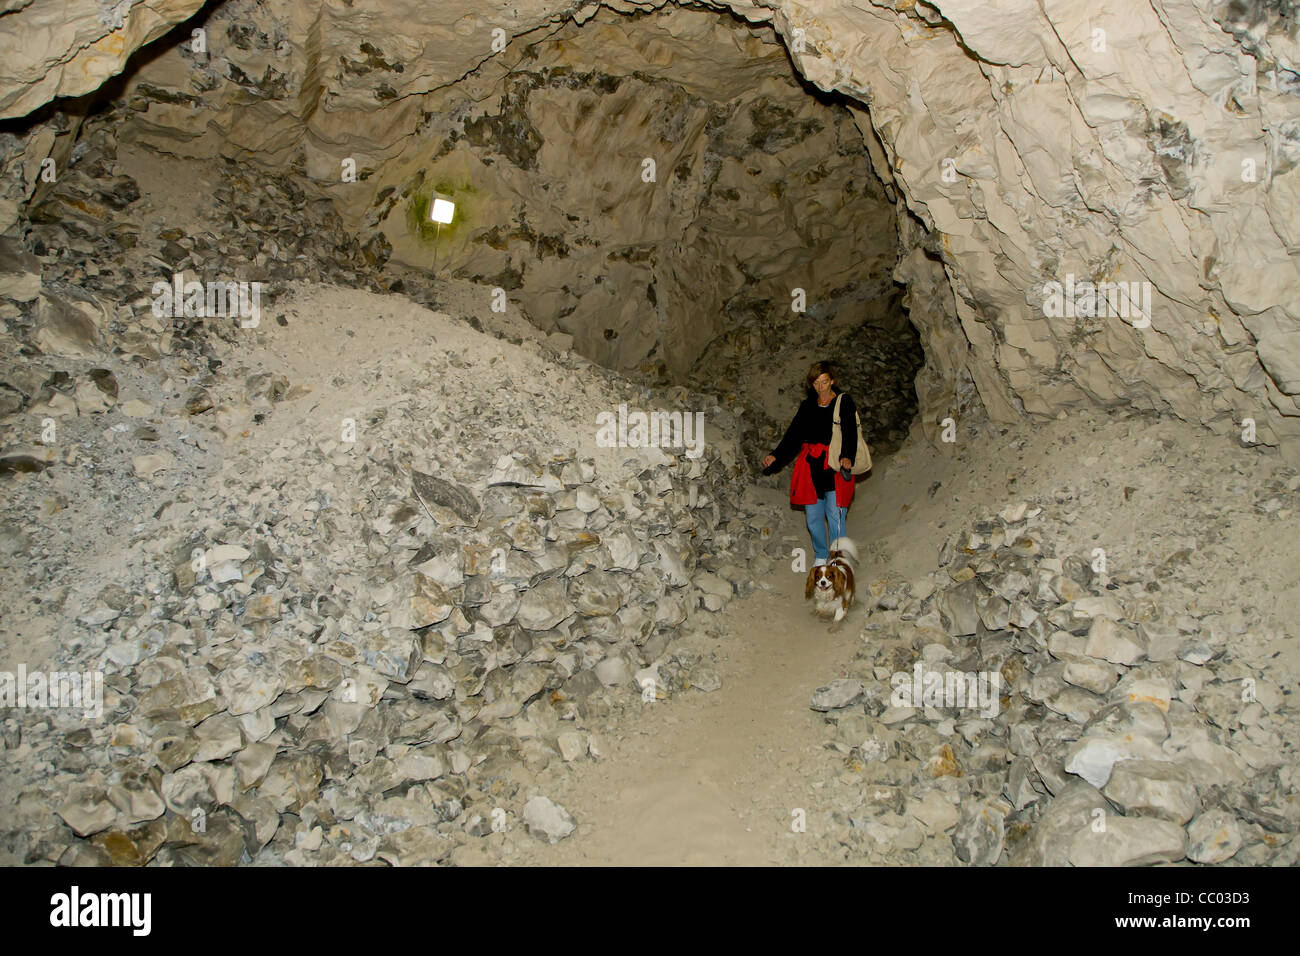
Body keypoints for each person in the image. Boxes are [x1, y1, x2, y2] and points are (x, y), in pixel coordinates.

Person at [761, 361, 858, 566]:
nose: (821, 387)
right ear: (811, 384)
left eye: (824, 382)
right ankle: (821, 554)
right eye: (816, 383)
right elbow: (794, 434)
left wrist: (848, 455)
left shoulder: (843, 402)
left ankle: (839, 559)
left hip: (835, 465)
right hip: (811, 466)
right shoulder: (807, 406)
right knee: (813, 519)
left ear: (832, 380)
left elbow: (851, 431)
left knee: (835, 515)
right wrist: (776, 455)